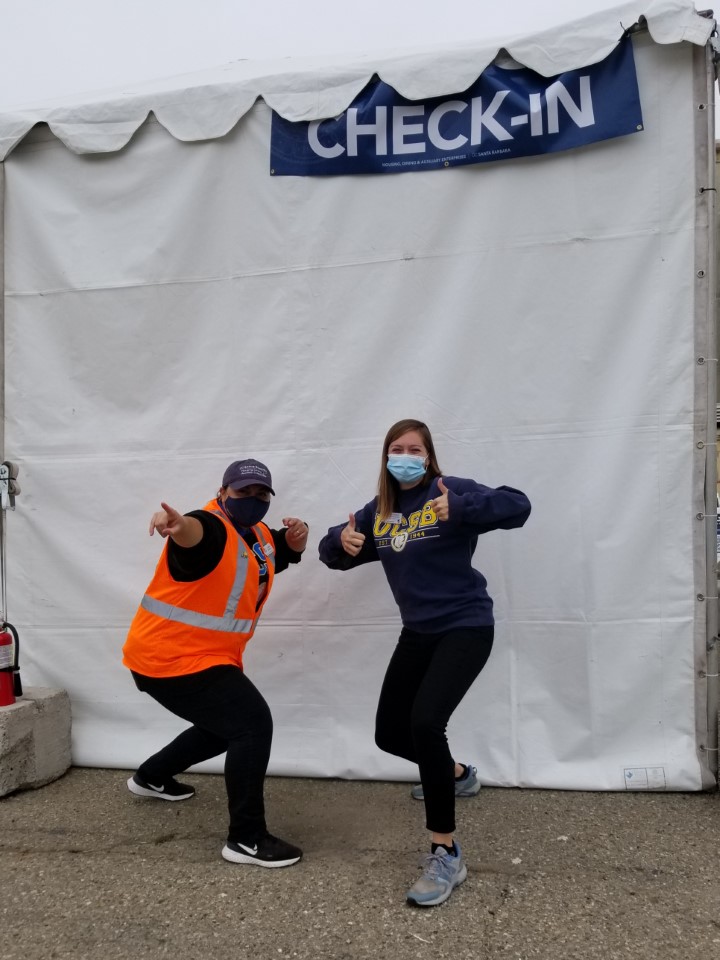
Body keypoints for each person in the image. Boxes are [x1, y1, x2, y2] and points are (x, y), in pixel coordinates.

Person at [318, 419, 530, 906]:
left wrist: (464, 507)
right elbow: (338, 545)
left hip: (466, 626)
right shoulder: (382, 510)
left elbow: (518, 505)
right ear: (386, 457)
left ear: (429, 456)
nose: (405, 455)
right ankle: (456, 775)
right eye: (397, 448)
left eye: (415, 448)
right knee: (389, 734)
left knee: (425, 724)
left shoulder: (449, 491)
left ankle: (446, 851)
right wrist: (340, 544)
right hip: (418, 632)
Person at [122, 458, 308, 868]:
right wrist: (177, 526)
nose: (253, 500)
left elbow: (274, 553)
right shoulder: (207, 527)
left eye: (261, 494)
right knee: (252, 724)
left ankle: (151, 777)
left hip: (200, 657)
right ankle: (246, 838)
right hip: (168, 657)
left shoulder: (256, 535)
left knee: (224, 728)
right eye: (243, 492)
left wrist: (298, 539)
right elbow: (193, 535)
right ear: (223, 492)